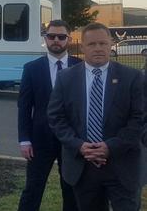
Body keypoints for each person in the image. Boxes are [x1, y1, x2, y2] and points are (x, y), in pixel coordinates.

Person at [48, 22, 144, 211]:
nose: (98, 48)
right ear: (82, 47)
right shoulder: (65, 78)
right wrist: (80, 146)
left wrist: (110, 147)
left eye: (103, 43)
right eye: (92, 44)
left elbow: (139, 119)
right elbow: (56, 117)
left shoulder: (133, 77)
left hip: (123, 166)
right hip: (83, 168)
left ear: (110, 45)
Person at [17, 19, 80, 211]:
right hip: (40, 140)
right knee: (33, 188)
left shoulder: (81, 67)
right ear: (46, 38)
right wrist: (24, 140)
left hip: (71, 139)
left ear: (68, 39)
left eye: (61, 37)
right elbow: (25, 106)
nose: (56, 40)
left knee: (71, 188)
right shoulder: (32, 68)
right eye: (52, 36)